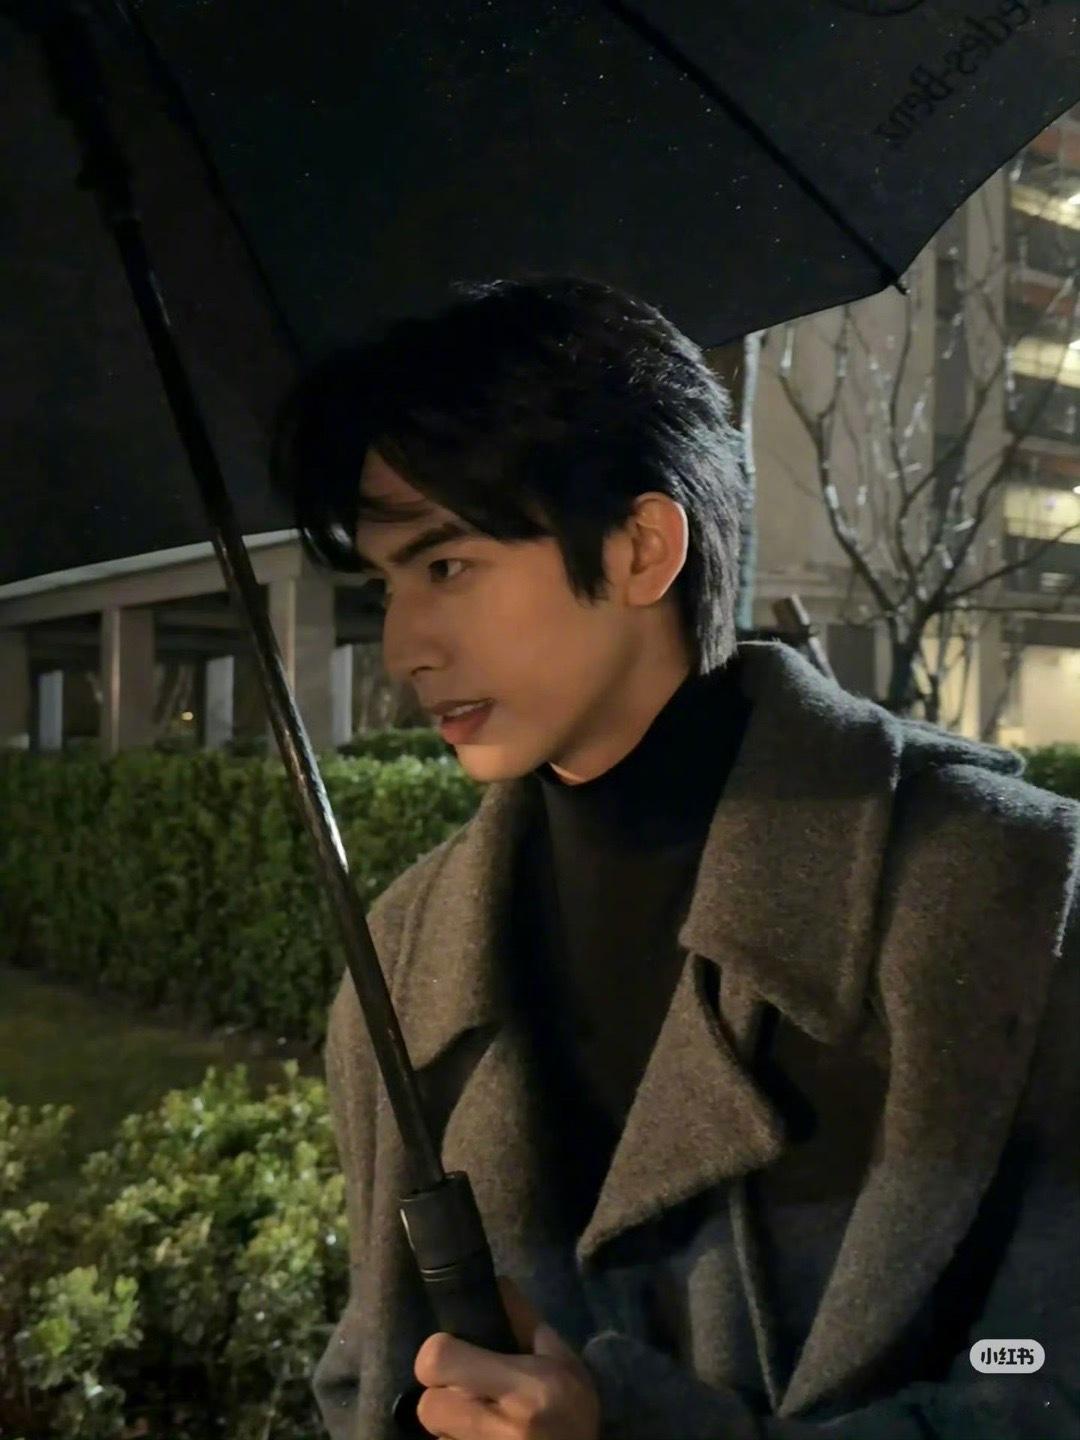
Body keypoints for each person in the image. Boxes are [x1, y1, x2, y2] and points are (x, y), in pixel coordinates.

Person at [270, 275, 1080, 1440]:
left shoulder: (1000, 889)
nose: (404, 647)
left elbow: (1047, 1384)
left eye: (446, 567)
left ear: (642, 549)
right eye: (384, 585)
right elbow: (367, 1371)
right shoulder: (401, 963)